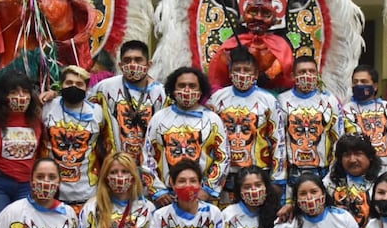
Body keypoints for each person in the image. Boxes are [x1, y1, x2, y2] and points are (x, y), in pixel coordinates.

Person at [207, 46, 286, 206]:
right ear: (230, 73)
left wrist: (278, 178)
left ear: (256, 74)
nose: (242, 74)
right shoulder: (217, 98)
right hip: (225, 175)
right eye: (237, 70)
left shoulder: (268, 100)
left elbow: (278, 140)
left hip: (258, 174)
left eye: (247, 70)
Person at [142, 66, 229, 206]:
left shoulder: (213, 120)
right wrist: (158, 191)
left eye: (192, 86)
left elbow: (223, 157)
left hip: (201, 198)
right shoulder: (159, 118)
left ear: (201, 90)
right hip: (166, 198)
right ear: (173, 89)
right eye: (182, 86)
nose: (187, 90)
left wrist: (207, 190)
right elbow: (147, 156)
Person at [0, 70, 43, 225]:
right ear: (3, 95)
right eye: (14, 92)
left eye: (25, 91)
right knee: (3, 226)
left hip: (26, 184)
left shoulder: (37, 117)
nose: (21, 96)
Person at [277, 56, 343, 203]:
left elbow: (338, 139)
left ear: (317, 74)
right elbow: (278, 141)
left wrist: (333, 174)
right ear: (293, 76)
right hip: (292, 174)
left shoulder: (329, 100)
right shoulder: (281, 101)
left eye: (311, 71)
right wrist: (279, 176)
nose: (307, 75)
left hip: (323, 172)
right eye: (302, 72)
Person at [90, 40, 166, 165]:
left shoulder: (161, 93)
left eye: (138, 60)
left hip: (150, 166)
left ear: (149, 64)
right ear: (120, 65)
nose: (132, 64)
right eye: (127, 60)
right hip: (113, 165)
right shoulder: (104, 88)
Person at [41, 65, 103, 210]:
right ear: (61, 85)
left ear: (87, 88)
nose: (74, 87)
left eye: (79, 84)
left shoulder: (98, 112)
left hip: (86, 193)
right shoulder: (47, 106)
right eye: (69, 83)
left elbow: (107, 143)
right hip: (51, 192)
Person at [344, 64, 387, 172]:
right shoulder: (346, 110)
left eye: (364, 82)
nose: (359, 85)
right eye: (355, 82)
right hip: (359, 171)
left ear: (375, 86)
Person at [323, 133, 382, 228]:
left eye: (358, 154)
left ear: (370, 156)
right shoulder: (332, 178)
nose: (352, 160)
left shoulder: (385, 177)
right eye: (346, 155)